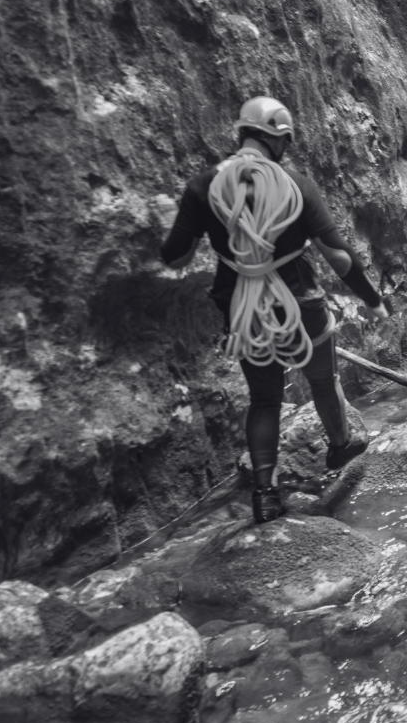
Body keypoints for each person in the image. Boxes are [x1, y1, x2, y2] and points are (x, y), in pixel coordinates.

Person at [160, 96, 390, 524]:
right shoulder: (294, 184)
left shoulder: (204, 186)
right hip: (299, 302)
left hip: (243, 307)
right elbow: (338, 257)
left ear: (243, 133)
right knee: (323, 380)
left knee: (264, 399)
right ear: (278, 138)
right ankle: (340, 447)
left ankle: (265, 494)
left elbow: (175, 257)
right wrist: (373, 300)